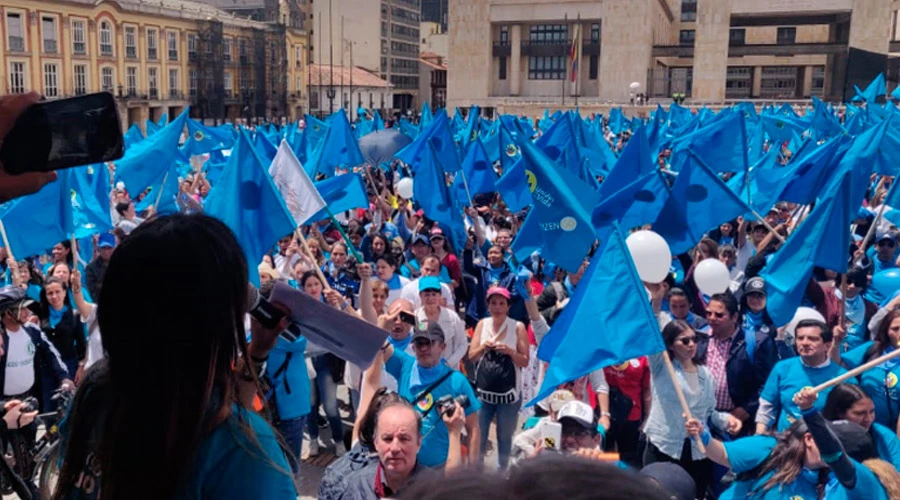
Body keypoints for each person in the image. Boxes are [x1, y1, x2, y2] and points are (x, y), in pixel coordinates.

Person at [54, 214, 297, 499]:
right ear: (215, 318)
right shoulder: (244, 453)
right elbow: (219, 426)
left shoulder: (96, 392)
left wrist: (256, 352)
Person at [643, 318, 741, 498]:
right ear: (671, 345)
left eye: (694, 339)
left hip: (697, 450)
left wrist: (728, 421)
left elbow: (710, 413)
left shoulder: (705, 374)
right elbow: (652, 334)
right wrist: (656, 302)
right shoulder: (662, 367)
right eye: (685, 340)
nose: (691, 344)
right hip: (665, 446)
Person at [380, 320, 482, 468]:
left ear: (442, 346)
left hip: (440, 469)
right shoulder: (404, 365)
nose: (424, 348)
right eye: (420, 343)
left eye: (430, 343)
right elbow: (377, 342)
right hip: (403, 465)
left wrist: (473, 473)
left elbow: (473, 429)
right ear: (413, 347)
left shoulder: (457, 381)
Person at [793, 388, 900, 500]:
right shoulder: (867, 476)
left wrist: (808, 410)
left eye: (832, 440)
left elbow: (832, 453)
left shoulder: (860, 480)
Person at [468, 286, 529, 469]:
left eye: (502, 303)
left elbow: (524, 361)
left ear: (508, 306)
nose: (497, 307)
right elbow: (472, 356)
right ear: (488, 305)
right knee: (479, 435)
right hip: (484, 393)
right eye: (493, 303)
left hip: (509, 394)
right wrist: (483, 347)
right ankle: (476, 475)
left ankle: (504, 476)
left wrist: (510, 351)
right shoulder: (482, 324)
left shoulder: (517, 327)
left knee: (504, 437)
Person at [756, 319, 847, 434]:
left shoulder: (844, 378)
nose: (804, 343)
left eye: (812, 339)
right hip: (785, 443)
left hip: (822, 444)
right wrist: (759, 436)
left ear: (827, 345)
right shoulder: (782, 368)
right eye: (800, 338)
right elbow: (767, 407)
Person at [300, 271, 347, 457]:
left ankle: (339, 441)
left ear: (321, 285)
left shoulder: (329, 305)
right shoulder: (299, 307)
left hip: (326, 359)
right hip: (306, 360)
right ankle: (313, 439)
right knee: (310, 403)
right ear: (303, 288)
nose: (313, 288)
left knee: (330, 405)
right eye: (309, 285)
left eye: (316, 284)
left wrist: (336, 305)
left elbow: (342, 324)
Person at [696, 292, 758, 433]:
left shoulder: (753, 343)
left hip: (735, 421)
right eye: (708, 313)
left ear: (734, 317)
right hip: (703, 416)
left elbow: (765, 383)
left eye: (719, 315)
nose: (712, 318)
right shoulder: (700, 337)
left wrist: (746, 409)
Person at [837, 308, 900, 430]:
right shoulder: (872, 349)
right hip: (864, 426)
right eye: (895, 329)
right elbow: (836, 366)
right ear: (886, 331)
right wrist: (836, 343)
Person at [822, 383, 900, 468]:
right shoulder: (820, 439)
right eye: (860, 413)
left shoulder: (884, 436)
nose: (868, 419)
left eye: (872, 411)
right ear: (840, 412)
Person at [415, 277, 468, 369]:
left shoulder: (452, 317)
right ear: (420, 296)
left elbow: (463, 344)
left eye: (434, 294)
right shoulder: (415, 317)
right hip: (423, 369)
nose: (430, 298)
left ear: (440, 295)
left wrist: (448, 364)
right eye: (427, 295)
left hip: (448, 371)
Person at [830, 268, 876, 353]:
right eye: (848, 281)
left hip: (857, 355)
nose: (852, 286)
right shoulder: (827, 299)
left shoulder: (870, 306)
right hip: (831, 351)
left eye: (857, 283)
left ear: (862, 287)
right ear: (839, 282)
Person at [737, 277, 775, 363]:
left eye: (760, 295)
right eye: (752, 295)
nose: (755, 299)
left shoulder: (774, 323)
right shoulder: (736, 317)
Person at [84, 233, 116, 299]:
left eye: (109, 248)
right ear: (99, 249)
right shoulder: (91, 268)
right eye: (103, 248)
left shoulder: (122, 265)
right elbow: (92, 292)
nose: (106, 252)